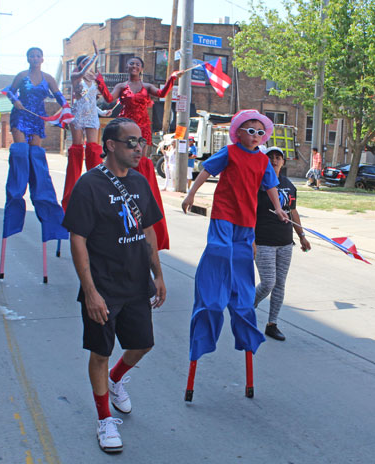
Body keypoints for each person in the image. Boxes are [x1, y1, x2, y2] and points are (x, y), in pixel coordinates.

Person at [63, 118, 166, 453]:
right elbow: (77, 238)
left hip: (136, 283)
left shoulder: (139, 181)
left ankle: (116, 379)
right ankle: (104, 419)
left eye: (141, 142)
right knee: (101, 352)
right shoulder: (89, 186)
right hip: (104, 285)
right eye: (131, 142)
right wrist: (90, 291)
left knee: (143, 345)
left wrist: (158, 275)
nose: (138, 148)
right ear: (110, 145)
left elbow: (148, 229)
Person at [182, 109, 288, 362]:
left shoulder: (263, 161)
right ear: (238, 133)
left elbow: (271, 186)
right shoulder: (229, 152)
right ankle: (214, 297)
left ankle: (239, 303)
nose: (255, 136)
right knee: (220, 252)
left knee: (240, 265)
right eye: (250, 131)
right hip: (224, 214)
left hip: (246, 221)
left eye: (260, 132)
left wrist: (280, 210)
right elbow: (206, 171)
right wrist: (190, 194)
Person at [95, 57, 185, 251]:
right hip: (124, 126)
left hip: (142, 127)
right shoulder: (121, 85)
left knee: (140, 161)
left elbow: (162, 93)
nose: (133, 66)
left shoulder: (147, 86)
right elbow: (109, 99)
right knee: (123, 159)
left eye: (137, 64)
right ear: (127, 67)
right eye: (130, 64)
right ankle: (121, 184)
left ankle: (138, 190)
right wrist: (100, 82)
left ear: (142, 68)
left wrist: (171, 78)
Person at [1, 46, 68, 246]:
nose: (35, 58)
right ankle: (18, 186)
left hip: (38, 118)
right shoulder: (22, 75)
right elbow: (8, 92)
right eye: (32, 55)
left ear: (42, 58)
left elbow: (59, 96)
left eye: (38, 55)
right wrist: (15, 101)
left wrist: (66, 109)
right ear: (28, 58)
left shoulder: (49, 78)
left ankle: (39, 191)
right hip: (21, 116)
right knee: (21, 152)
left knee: (36, 156)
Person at [254, 147, 311, 341]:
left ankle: (272, 324)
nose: (274, 160)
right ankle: (245, 306)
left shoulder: (288, 184)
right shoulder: (258, 184)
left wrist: (302, 236)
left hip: (286, 243)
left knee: (279, 285)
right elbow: (249, 213)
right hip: (263, 242)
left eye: (278, 157)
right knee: (268, 282)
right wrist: (251, 240)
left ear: (283, 162)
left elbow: (293, 211)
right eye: (270, 157)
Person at [62, 42, 111, 210]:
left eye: (89, 62)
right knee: (77, 149)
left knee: (93, 148)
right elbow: (80, 98)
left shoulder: (94, 80)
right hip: (77, 114)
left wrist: (103, 113)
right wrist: (96, 56)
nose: (87, 65)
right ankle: (71, 193)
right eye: (84, 62)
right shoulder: (76, 76)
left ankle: (96, 185)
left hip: (91, 115)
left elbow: (90, 101)